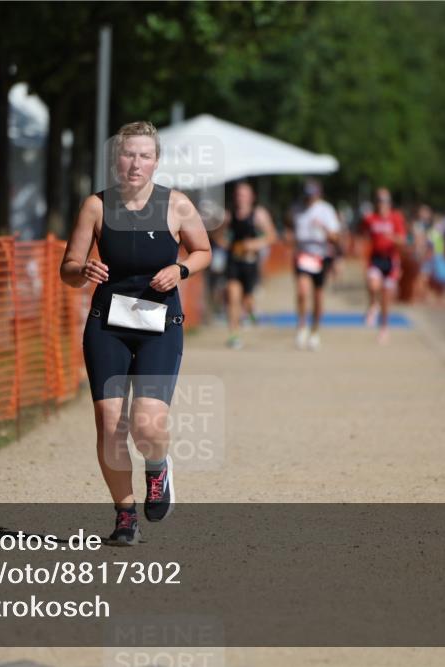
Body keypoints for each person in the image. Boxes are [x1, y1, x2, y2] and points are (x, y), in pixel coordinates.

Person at [59, 121, 211, 545]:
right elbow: (67, 269)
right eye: (128, 154)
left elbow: (203, 252)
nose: (136, 163)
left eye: (145, 155)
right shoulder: (96, 206)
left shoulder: (176, 205)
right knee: (109, 426)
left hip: (159, 324)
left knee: (146, 425)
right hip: (107, 323)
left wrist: (179, 269)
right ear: (116, 159)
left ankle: (158, 466)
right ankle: (125, 516)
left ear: (156, 162)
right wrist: (83, 270)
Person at [223, 181, 277, 349]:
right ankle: (234, 334)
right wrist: (229, 245)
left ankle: (252, 312)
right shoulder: (228, 214)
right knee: (233, 296)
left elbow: (272, 236)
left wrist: (253, 244)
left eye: (244, 194)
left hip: (251, 263)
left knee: (247, 301)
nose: (241, 198)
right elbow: (216, 235)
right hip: (233, 262)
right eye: (239, 194)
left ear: (252, 197)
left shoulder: (259, 214)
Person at [290, 179, 341, 350]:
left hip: (321, 255)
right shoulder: (297, 209)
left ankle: (315, 330)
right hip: (303, 254)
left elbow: (335, 237)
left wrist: (324, 228)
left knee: (318, 296)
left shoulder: (326, 210)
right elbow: (291, 228)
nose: (309, 198)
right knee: (302, 291)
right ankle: (302, 326)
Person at [361, 187, 406, 343]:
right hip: (376, 258)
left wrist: (392, 238)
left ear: (389, 202)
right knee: (373, 284)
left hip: (391, 260)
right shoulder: (370, 219)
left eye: (385, 201)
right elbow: (362, 233)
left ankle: (384, 327)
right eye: (379, 200)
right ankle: (373, 305)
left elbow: (403, 239)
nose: (382, 204)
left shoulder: (396, 218)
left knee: (387, 297)